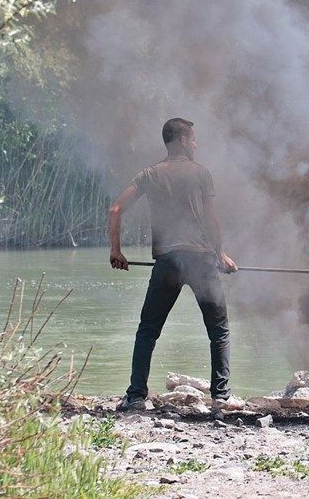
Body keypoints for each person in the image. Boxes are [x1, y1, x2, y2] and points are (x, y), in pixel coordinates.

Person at [108, 118, 238, 411]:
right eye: (193, 139)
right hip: (200, 259)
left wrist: (116, 251)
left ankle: (136, 396)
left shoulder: (150, 174)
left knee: (148, 330)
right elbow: (210, 219)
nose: (195, 144)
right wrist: (220, 254)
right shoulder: (201, 173)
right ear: (181, 140)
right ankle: (221, 397)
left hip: (167, 261)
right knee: (218, 331)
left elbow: (115, 209)